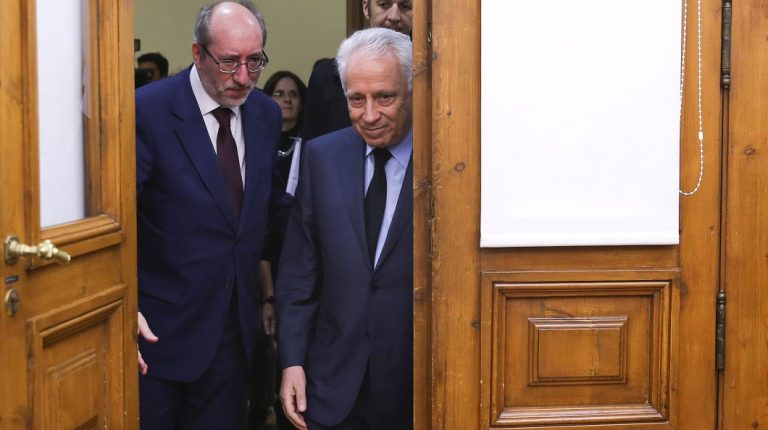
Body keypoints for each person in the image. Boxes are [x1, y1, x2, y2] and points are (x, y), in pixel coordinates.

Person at [134, 1, 286, 428]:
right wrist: (122, 306)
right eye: (229, 62)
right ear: (198, 53)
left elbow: (264, 214)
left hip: (233, 335)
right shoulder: (148, 110)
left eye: (255, 61)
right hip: (158, 334)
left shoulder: (266, 114)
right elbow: (117, 219)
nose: (244, 77)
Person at [277, 27, 413, 430]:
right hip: (331, 385)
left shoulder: (448, 161)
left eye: (384, 97)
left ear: (413, 90)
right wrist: (292, 360)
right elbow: (300, 271)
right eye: (356, 99)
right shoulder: (322, 156)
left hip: (416, 385)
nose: (368, 115)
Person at [249, 70, 307, 430]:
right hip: (263, 260)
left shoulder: (316, 147)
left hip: (298, 260)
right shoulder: (255, 146)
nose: (286, 100)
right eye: (278, 93)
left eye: (293, 94)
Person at [301, 0, 413, 141]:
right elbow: (314, 149)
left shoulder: (431, 76)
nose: (394, 16)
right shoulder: (326, 78)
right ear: (366, 7)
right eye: (384, 4)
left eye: (405, 6)